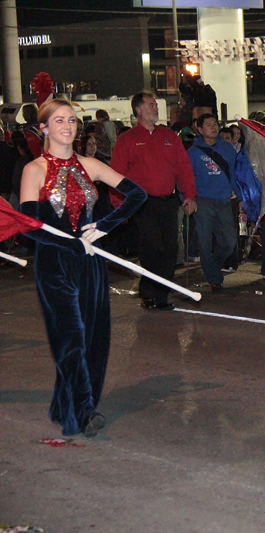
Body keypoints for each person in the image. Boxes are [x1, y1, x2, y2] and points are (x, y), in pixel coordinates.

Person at [19, 98, 146, 437]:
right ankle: (84, 410)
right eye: (59, 120)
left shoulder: (91, 165)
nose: (67, 126)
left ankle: (64, 404)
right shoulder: (34, 170)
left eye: (72, 120)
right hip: (54, 265)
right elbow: (31, 228)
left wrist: (105, 225)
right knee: (70, 340)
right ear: (44, 127)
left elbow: (137, 194)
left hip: (90, 264)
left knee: (92, 340)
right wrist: (70, 243)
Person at [111, 92, 197, 310]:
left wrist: (189, 195)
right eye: (151, 105)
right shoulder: (127, 139)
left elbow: (184, 168)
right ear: (139, 110)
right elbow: (116, 176)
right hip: (143, 203)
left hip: (168, 201)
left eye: (155, 105)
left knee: (170, 248)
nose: (156, 108)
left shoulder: (169, 136)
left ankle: (161, 293)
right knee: (151, 248)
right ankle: (150, 293)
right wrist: (118, 208)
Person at [187, 114, 243, 292]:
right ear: (200, 129)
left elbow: (235, 175)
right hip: (202, 202)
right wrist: (187, 198)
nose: (213, 127)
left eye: (215, 124)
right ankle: (214, 279)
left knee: (229, 242)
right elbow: (186, 178)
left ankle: (211, 267)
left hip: (224, 201)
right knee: (204, 243)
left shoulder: (227, 150)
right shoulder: (192, 153)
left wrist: (241, 198)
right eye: (208, 125)